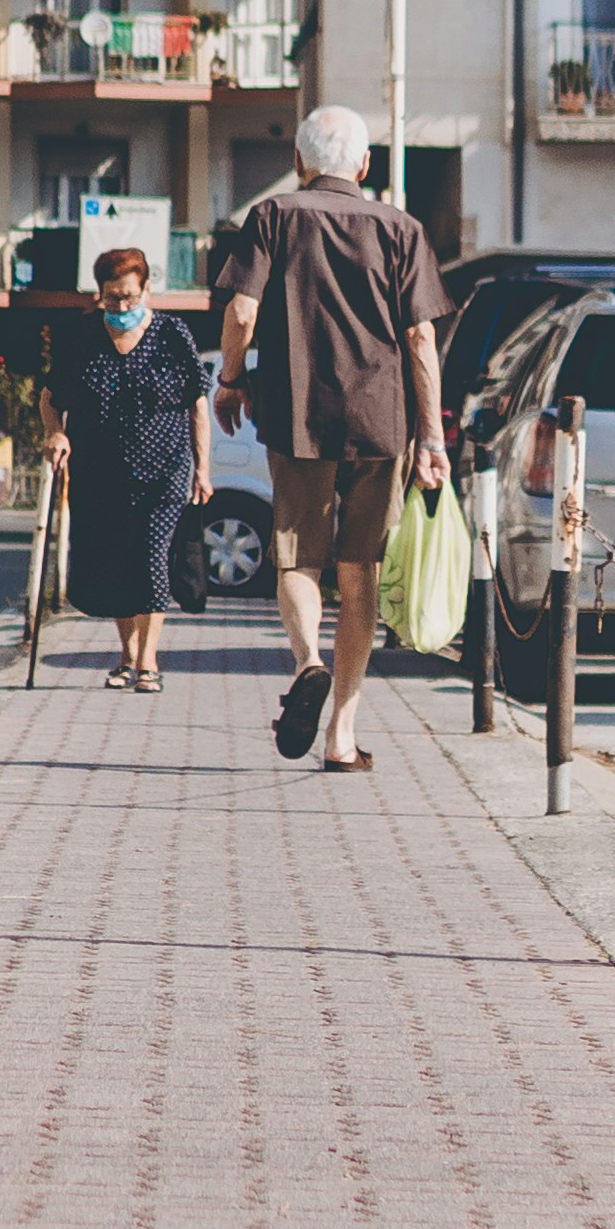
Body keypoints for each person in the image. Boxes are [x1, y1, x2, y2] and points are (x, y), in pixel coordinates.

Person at [208, 111, 447, 772]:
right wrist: (431, 437)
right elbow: (421, 339)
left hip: (295, 413)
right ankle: (341, 736)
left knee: (296, 560)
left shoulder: (272, 216)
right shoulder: (402, 228)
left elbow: (241, 310)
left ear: (298, 157)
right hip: (381, 419)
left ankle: (306, 660)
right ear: (364, 165)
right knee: (358, 569)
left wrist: (230, 379)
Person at [43, 245, 213, 696]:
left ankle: (147, 660)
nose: (121, 307)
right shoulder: (82, 337)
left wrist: (203, 467)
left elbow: (197, 404)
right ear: (99, 294)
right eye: (112, 298)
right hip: (101, 472)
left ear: (146, 290)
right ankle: (126, 654)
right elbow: (51, 396)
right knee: (118, 564)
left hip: (165, 471)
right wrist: (55, 434)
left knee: (151, 558)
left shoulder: (173, 334)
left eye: (129, 298)